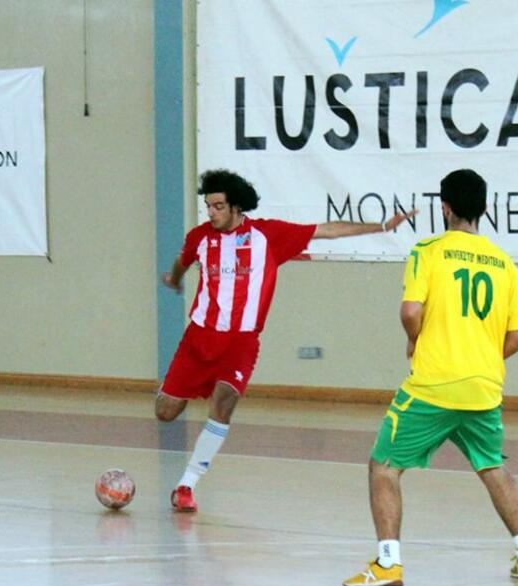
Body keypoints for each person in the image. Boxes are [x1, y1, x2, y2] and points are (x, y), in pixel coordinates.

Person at [157, 169, 416, 513]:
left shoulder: (268, 235)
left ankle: (186, 485)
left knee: (224, 405)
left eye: (218, 206)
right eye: (208, 206)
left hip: (241, 343)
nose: (212, 213)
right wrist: (174, 279)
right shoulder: (199, 238)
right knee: (165, 412)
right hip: (198, 339)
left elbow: (326, 230)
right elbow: (182, 260)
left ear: (236, 207)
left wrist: (381, 227)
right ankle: (190, 389)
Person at [343, 168, 518, 586]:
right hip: (483, 388)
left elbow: (411, 311)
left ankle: (388, 564)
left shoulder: (428, 250)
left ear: (444, 207)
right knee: (493, 467)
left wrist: (415, 342)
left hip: (433, 385)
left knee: (384, 467)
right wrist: (484, 357)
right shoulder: (503, 262)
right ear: (484, 209)